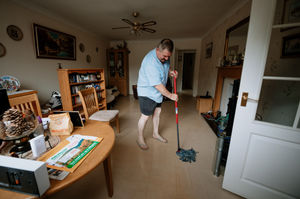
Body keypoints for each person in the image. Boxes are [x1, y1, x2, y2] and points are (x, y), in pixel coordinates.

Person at [136, 39, 178, 150]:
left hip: (158, 92)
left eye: (169, 56)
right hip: (147, 91)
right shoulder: (150, 62)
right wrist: (170, 95)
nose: (167, 58)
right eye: (165, 56)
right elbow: (157, 85)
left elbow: (164, 68)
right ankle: (140, 138)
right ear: (157, 50)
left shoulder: (165, 57)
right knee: (145, 116)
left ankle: (155, 133)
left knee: (157, 113)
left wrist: (171, 72)